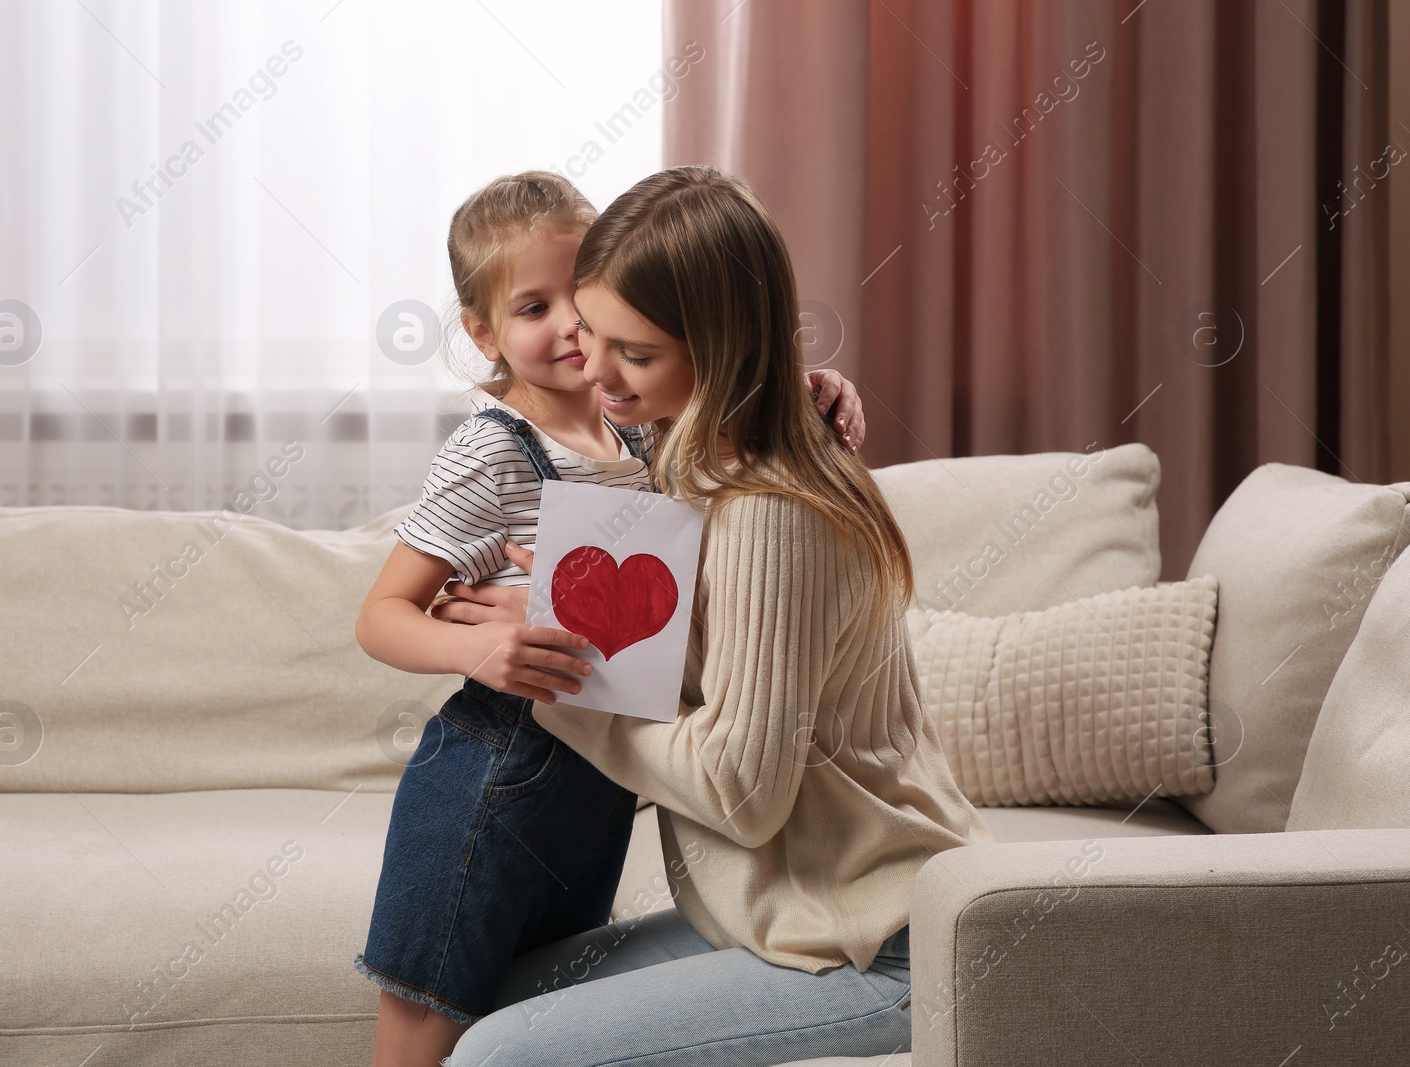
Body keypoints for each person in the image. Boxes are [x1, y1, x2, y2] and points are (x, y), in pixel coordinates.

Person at [431, 165, 993, 1067]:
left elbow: (741, 787)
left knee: (499, 1056)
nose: (595, 373)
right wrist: (551, 612)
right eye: (591, 332)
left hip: (876, 944)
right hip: (773, 919)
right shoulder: (689, 457)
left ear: (723, 351)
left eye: (637, 355)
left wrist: (562, 684)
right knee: (472, 1002)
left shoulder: (771, 509)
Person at [351, 169, 871, 1067]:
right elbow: (381, 615)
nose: (567, 333)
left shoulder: (640, 430)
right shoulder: (491, 452)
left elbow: (728, 406)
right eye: (531, 308)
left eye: (582, 309)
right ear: (481, 333)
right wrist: (481, 644)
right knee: (426, 1029)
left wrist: (806, 387)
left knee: (516, 1011)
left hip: (593, 791)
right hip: (489, 780)